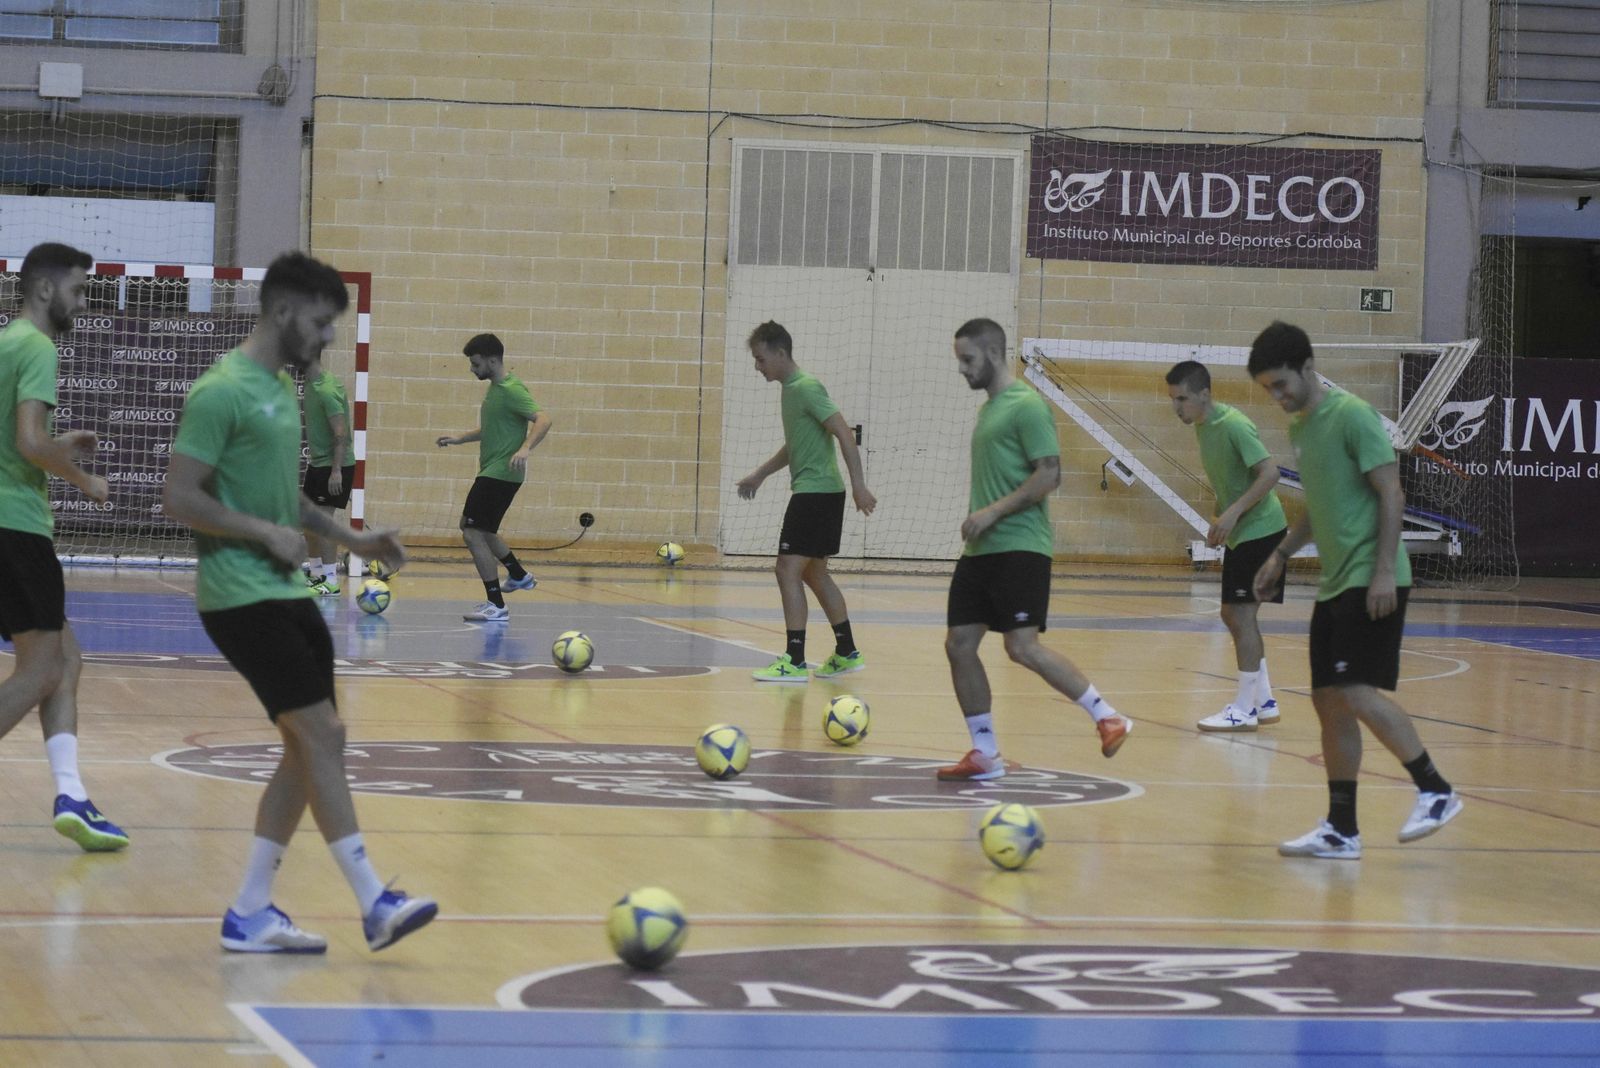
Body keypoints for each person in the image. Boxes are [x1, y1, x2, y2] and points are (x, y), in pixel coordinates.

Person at [163, 251, 436, 952]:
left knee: (306, 747)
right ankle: (374, 900)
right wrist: (260, 533)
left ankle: (251, 910)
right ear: (282, 311)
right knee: (323, 737)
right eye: (319, 323)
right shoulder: (220, 390)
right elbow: (180, 496)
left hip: (285, 591)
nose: (326, 339)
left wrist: (356, 538)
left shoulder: (284, 390)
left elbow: (288, 503)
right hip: (238, 595)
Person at [1247, 321, 1462, 860]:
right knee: (1327, 701)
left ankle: (1435, 789)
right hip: (1335, 583)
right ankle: (1342, 829)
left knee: (1357, 692)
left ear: (1307, 366)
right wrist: (1279, 555)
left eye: (1281, 384)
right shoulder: (1303, 429)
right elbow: (1319, 510)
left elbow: (1392, 491)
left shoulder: (1353, 416)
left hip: (1373, 577)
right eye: (1267, 389)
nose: (1277, 397)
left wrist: (1385, 570)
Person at [937, 318, 1132, 781]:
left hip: (1020, 547)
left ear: (992, 353)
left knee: (1021, 648)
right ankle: (985, 752)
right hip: (981, 553)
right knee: (959, 644)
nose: (962, 370)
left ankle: (1107, 715)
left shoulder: (1027, 405)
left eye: (968, 360)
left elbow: (1049, 474)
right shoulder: (989, 409)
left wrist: (991, 513)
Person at [0, 241, 128, 852]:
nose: (82, 301)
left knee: (67, 659)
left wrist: (62, 452)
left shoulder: (2, 342)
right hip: (15, 527)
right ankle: (71, 793)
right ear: (45, 289)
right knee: (45, 666)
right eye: (78, 290)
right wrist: (79, 473)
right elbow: (29, 441)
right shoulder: (38, 347)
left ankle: (72, 794)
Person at [736, 321, 877, 682]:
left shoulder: (807, 387)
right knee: (814, 572)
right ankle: (846, 652)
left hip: (816, 493)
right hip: (821, 492)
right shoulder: (791, 391)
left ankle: (794, 660)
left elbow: (844, 433)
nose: (758, 366)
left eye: (761, 358)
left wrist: (860, 485)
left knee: (786, 568)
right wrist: (761, 474)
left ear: (780, 353)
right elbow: (795, 445)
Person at [1165, 359, 1288, 732]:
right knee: (1235, 615)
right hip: (1244, 531)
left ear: (1205, 394)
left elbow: (1270, 474)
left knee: (1239, 615)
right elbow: (1231, 482)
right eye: (1172, 399)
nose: (1176, 407)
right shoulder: (1203, 426)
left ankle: (1244, 709)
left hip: (1262, 530)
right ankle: (1263, 701)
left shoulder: (1233, 425)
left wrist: (1233, 513)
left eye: (1182, 398)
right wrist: (1222, 518)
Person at [435, 333, 550, 623]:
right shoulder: (496, 389)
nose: (472, 369)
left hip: (500, 474)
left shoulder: (511, 389)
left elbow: (543, 419)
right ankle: (518, 574)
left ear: (492, 360)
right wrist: (460, 438)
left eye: (475, 364)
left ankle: (496, 604)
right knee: (477, 528)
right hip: (495, 472)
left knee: (473, 532)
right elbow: (494, 428)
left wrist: (525, 448)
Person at [300, 353, 353, 595]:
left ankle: (331, 581)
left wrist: (336, 472)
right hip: (318, 464)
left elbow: (340, 433)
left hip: (333, 466)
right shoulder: (311, 384)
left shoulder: (327, 390)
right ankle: (317, 573)